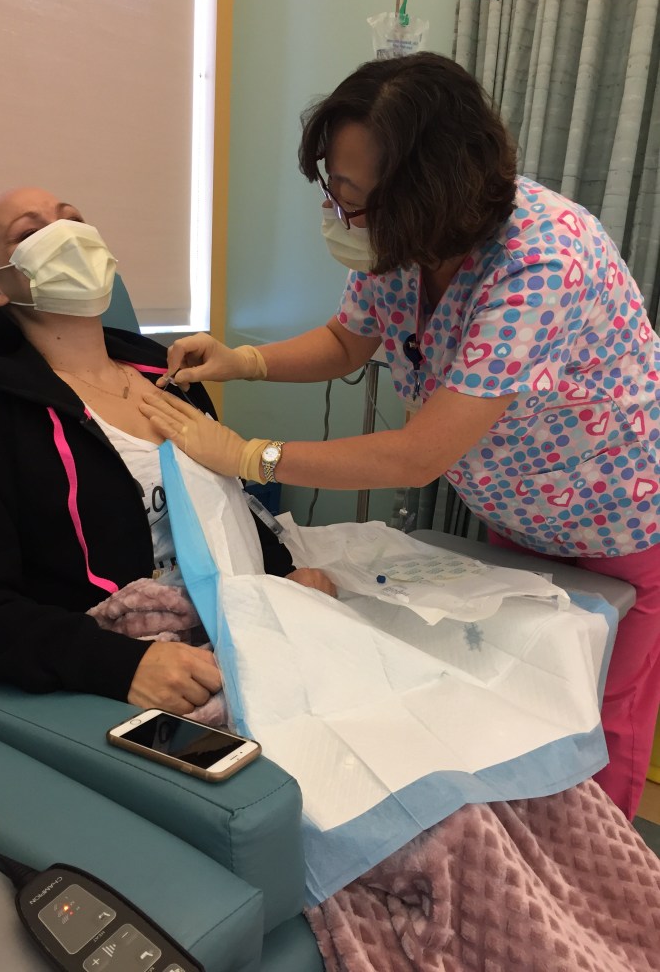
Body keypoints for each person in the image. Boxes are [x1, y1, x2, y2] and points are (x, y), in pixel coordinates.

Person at [138, 53, 660, 820]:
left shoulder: (542, 260)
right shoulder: (401, 243)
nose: (336, 213)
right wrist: (242, 360)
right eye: (333, 188)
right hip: (516, 507)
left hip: (621, 508)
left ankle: (600, 862)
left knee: (600, 712)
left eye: (351, 198)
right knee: (527, 691)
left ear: (424, 194)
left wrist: (250, 456)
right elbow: (348, 340)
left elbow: (420, 455)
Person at [0, 187, 334, 716]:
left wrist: (285, 575)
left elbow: (225, 502)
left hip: (243, 619)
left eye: (74, 218)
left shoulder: (170, 377)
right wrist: (121, 665)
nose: (66, 234)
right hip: (127, 661)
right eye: (31, 231)